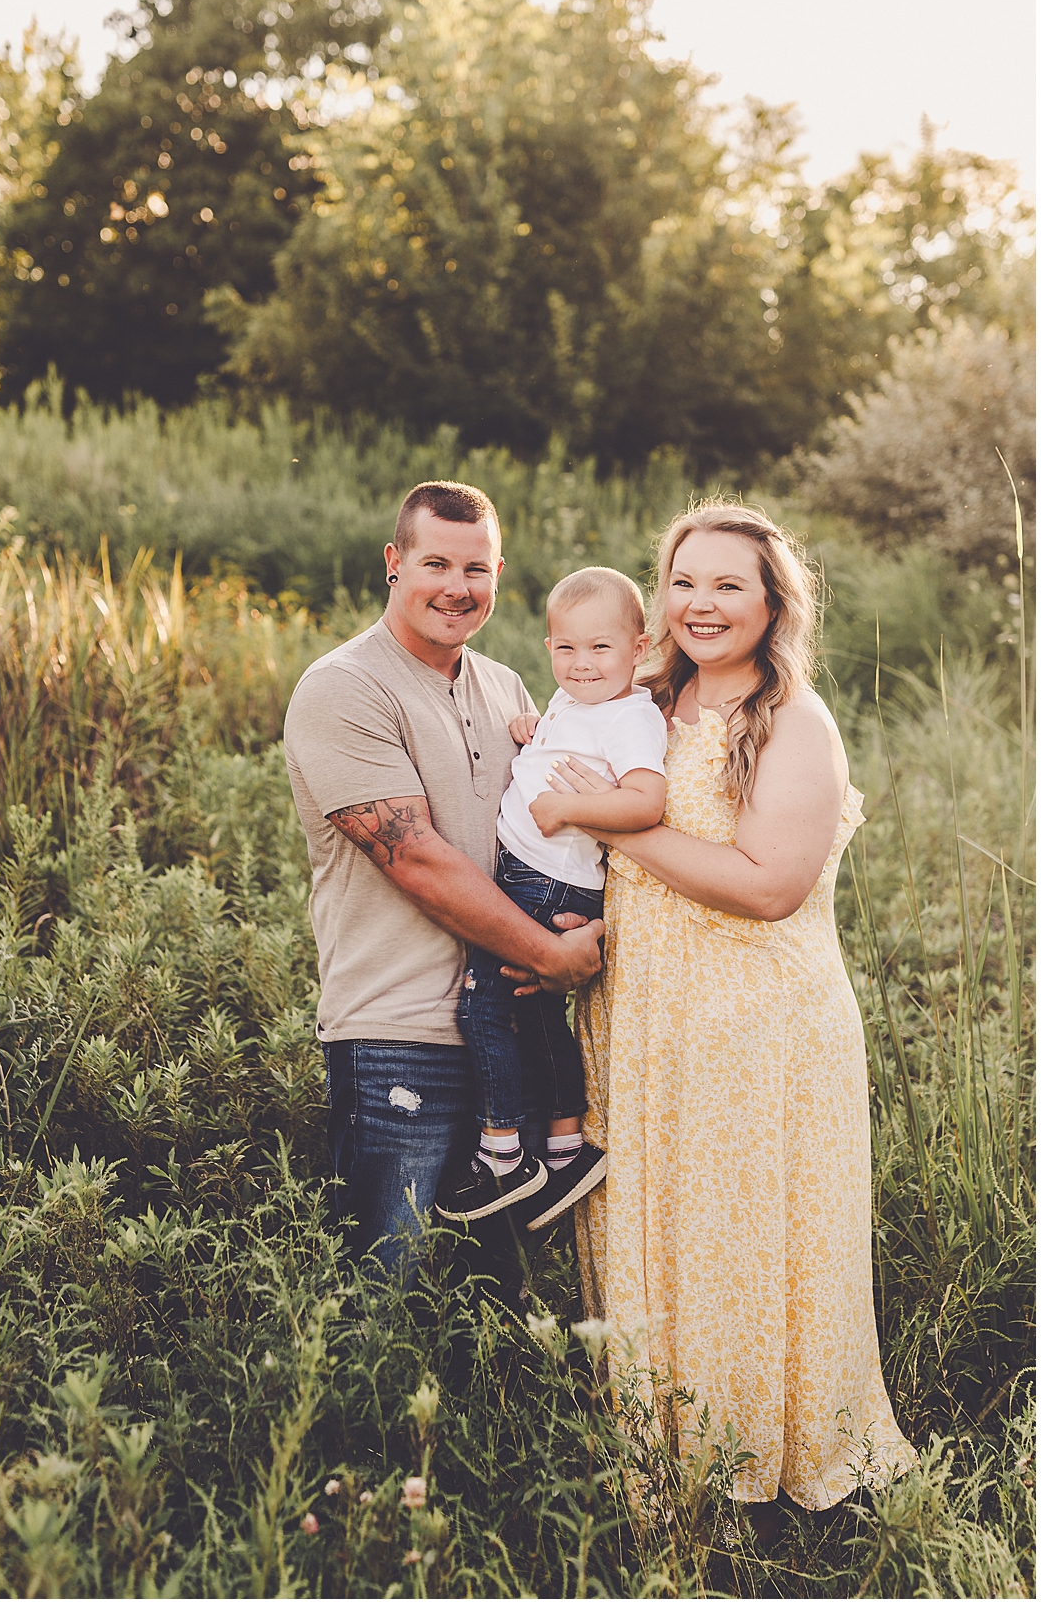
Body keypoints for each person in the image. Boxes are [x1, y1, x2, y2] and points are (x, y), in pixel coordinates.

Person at [549, 499, 916, 1513]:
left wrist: (607, 823)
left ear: (772, 602)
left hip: (759, 1030)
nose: (701, 603)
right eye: (684, 581)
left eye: (727, 584)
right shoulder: (637, 699)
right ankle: (665, 1457)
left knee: (745, 1241)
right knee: (657, 1233)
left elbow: (768, 886)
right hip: (641, 1022)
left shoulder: (793, 720)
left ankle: (755, 1462)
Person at [282, 480, 603, 1274]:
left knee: (500, 1292)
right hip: (400, 1034)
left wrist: (580, 925)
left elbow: (554, 834)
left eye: (476, 569)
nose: (457, 588)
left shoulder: (509, 688)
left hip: (511, 1032)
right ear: (394, 562)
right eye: (436, 564)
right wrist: (549, 954)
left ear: (499, 575)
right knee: (384, 1286)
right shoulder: (343, 687)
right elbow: (415, 858)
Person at [434, 567, 668, 1228]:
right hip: (537, 874)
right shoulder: (575, 699)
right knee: (537, 1014)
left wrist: (568, 807)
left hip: (548, 880)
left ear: (638, 648)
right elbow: (565, 743)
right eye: (566, 647)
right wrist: (534, 729)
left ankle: (502, 1153)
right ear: (548, 647)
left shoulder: (631, 717)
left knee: (483, 1006)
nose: (582, 662)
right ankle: (566, 1147)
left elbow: (646, 801)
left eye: (600, 648)